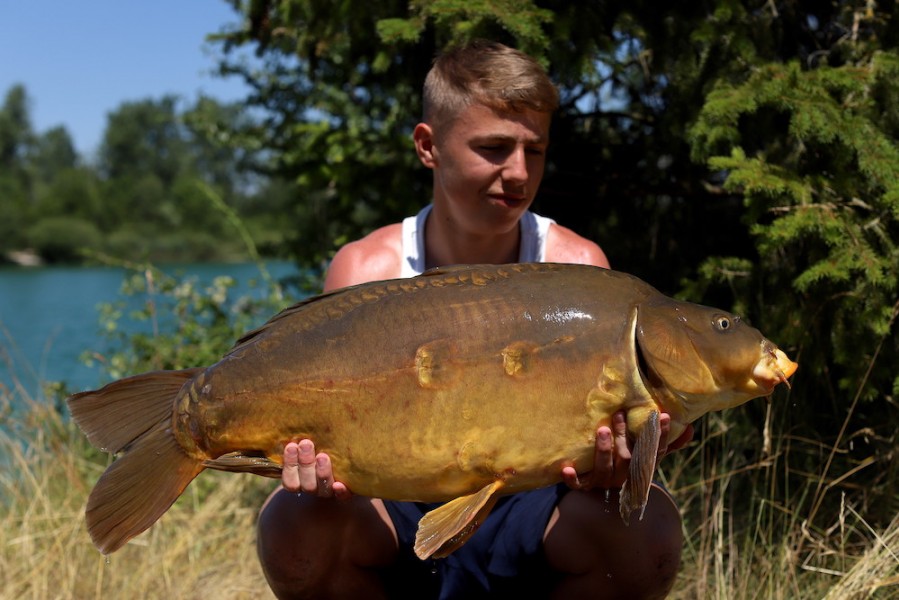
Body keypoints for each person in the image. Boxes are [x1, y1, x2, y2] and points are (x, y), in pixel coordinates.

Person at [257, 39, 690, 599]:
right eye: (493, 148)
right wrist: (312, 471)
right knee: (291, 525)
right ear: (427, 146)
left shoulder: (578, 266)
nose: (517, 172)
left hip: (534, 504)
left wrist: (621, 463)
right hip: (394, 503)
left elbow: (622, 439)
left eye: (533, 150)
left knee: (647, 533)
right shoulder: (367, 268)